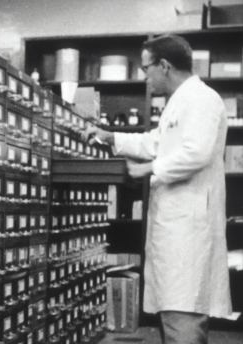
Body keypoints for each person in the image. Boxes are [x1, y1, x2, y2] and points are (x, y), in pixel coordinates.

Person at [82, 35, 232, 343]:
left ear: (164, 65)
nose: (145, 76)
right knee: (173, 319)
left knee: (183, 321)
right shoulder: (179, 103)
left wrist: (150, 169)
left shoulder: (202, 99)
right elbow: (156, 143)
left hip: (188, 234)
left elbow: (197, 152)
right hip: (175, 232)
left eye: (146, 67)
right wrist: (111, 138)